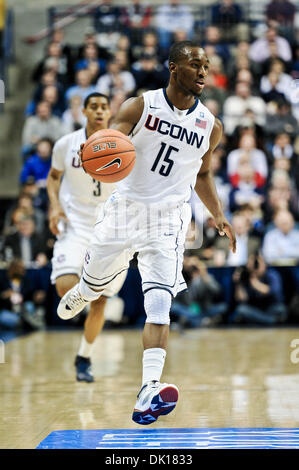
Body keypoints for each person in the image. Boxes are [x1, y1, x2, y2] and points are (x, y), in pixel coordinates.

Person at [57, 41, 236, 424]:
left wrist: (218, 215)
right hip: (125, 210)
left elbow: (202, 173)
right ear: (174, 68)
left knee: (160, 304)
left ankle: (148, 389)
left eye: (206, 65)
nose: (203, 71)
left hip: (168, 222)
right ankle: (84, 290)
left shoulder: (211, 125)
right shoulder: (140, 106)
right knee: (96, 285)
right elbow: (108, 145)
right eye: (194, 64)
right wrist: (97, 158)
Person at [46, 92, 127, 383]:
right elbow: (53, 177)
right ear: (84, 111)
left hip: (111, 228)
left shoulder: (122, 144)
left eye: (104, 107)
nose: (99, 111)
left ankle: (84, 357)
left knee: (100, 303)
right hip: (76, 224)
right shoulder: (65, 144)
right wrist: (54, 207)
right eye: (93, 107)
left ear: (110, 113)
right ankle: (86, 290)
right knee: (64, 287)